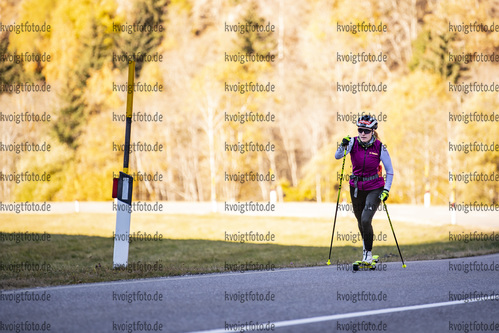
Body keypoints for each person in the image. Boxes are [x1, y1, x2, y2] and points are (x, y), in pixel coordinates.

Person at [335, 114, 394, 264]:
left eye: (366, 131)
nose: (362, 133)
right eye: (360, 130)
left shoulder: (380, 147)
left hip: (375, 187)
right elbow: (337, 156)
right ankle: (367, 251)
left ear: (373, 131)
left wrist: (386, 189)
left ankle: (367, 254)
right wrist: (342, 146)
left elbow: (390, 171)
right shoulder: (352, 142)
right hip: (356, 187)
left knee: (366, 219)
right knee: (360, 221)